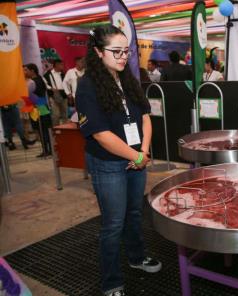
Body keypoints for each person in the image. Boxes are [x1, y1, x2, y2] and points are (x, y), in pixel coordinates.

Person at [75, 25, 161, 296]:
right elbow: (101, 135)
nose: (123, 57)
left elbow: (145, 117)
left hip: (137, 159)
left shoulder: (128, 79)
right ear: (99, 52)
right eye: (116, 51)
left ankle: (136, 258)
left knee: (134, 213)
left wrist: (143, 152)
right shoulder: (88, 86)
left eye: (126, 51)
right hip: (109, 164)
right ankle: (111, 282)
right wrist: (136, 156)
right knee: (113, 223)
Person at [23, 63, 53, 157]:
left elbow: (29, 95)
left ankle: (47, 150)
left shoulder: (33, 81)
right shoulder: (39, 79)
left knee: (42, 128)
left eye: (26, 70)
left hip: (39, 106)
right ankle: (48, 149)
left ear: (32, 71)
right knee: (43, 129)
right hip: (41, 105)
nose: (24, 72)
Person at [44, 59, 68, 126]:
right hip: (53, 95)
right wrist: (51, 88)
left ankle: (66, 129)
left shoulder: (63, 73)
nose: (63, 66)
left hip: (63, 95)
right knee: (56, 114)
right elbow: (44, 83)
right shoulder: (48, 74)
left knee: (65, 114)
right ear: (57, 65)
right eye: (61, 64)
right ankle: (56, 129)